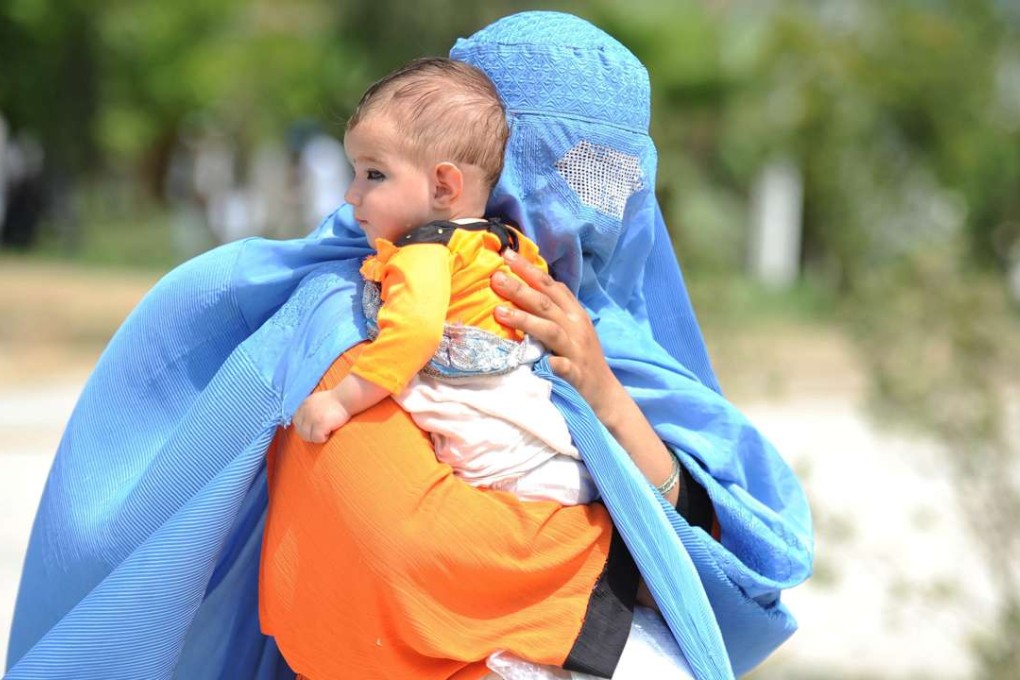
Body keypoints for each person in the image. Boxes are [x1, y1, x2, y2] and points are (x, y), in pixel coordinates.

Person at [6, 11, 812, 680]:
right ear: (469, 166)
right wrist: (604, 569)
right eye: (572, 169)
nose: (592, 206)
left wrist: (603, 393)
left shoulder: (609, 329)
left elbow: (725, 539)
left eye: (613, 179)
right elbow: (389, 547)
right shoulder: (355, 305)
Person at [292, 57, 596, 506]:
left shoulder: (422, 255)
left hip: (488, 444)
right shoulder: (504, 243)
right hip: (532, 429)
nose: (351, 194)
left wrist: (340, 400)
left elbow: (412, 334)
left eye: (374, 174)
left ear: (442, 188)